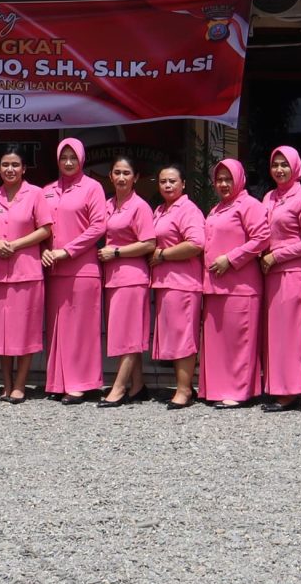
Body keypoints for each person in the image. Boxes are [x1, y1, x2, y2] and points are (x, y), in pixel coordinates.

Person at [35, 138, 109, 403]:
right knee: (57, 327)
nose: (68, 162)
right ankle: (58, 381)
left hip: (82, 268)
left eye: (73, 157)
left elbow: (98, 226)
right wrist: (43, 248)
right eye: (64, 157)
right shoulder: (47, 190)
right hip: (54, 270)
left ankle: (81, 383)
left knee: (81, 327)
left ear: (81, 159)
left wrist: (68, 250)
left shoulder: (93, 188)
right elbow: (40, 226)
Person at [198, 157, 268, 408]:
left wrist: (231, 258)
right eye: (219, 180)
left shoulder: (250, 205)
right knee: (219, 342)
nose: (224, 184)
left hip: (241, 286)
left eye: (228, 179)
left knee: (240, 341)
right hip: (215, 286)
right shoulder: (216, 209)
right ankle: (216, 388)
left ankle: (239, 392)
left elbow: (262, 237)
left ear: (240, 179)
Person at [0, 148, 49, 404]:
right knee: (1, 331)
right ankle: (6, 384)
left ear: (24, 169)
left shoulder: (36, 194)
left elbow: (45, 229)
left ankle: (20, 384)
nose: (10, 169)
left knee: (25, 330)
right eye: (5, 165)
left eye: (15, 165)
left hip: (27, 271)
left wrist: (16, 244)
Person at [255, 146, 301, 412]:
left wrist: (278, 255)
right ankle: (277, 387)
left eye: (284, 165)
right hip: (271, 274)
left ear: (296, 167)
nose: (279, 170)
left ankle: (291, 392)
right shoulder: (269, 196)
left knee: (290, 335)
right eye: (275, 164)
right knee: (275, 335)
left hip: (293, 274)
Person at [97, 156, 156, 407]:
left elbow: (149, 243)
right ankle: (138, 385)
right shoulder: (108, 204)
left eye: (126, 173)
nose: (121, 177)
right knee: (122, 331)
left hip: (132, 276)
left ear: (136, 177)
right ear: (110, 176)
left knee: (129, 333)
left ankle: (119, 388)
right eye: (117, 172)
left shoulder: (139, 206)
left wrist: (117, 252)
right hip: (113, 277)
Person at [149, 164, 207, 408]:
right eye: (163, 181)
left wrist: (162, 255)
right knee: (174, 337)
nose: (168, 185)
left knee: (183, 338)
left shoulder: (188, 209)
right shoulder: (160, 209)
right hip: (167, 283)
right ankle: (182, 387)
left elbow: (196, 243)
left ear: (183, 184)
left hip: (183, 283)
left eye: (173, 181)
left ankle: (184, 390)